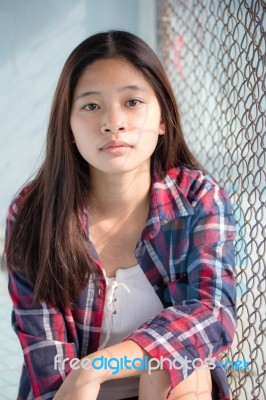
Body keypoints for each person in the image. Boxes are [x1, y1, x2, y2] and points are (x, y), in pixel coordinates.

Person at [4, 30, 236, 400]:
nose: (113, 123)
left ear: (163, 120)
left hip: (167, 384)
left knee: (171, 368)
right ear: (69, 126)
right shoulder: (33, 212)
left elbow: (213, 314)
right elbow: (47, 362)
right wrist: (81, 380)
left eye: (132, 102)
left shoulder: (197, 199)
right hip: (73, 390)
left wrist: (97, 366)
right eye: (91, 106)